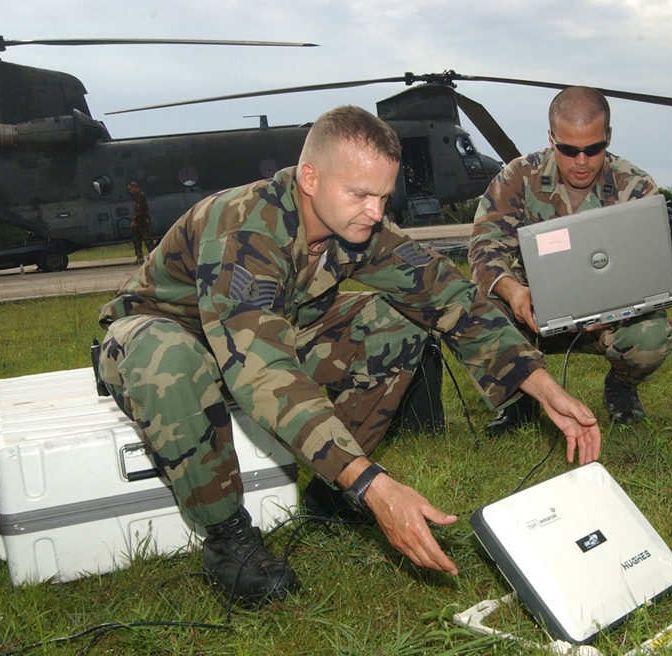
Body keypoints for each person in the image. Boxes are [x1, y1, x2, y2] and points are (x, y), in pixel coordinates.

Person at [96, 105, 601, 605]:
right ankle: (227, 536)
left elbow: (449, 296)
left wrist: (540, 384)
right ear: (310, 178)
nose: (376, 212)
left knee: (394, 324)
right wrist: (376, 487)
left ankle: (332, 491)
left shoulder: (359, 224)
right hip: (165, 334)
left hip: (264, 328)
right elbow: (262, 369)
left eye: (383, 196)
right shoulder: (245, 227)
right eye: (360, 194)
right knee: (170, 359)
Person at [469, 87, 672, 434]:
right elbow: (483, 248)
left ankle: (622, 385)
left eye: (593, 149)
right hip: (530, 315)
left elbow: (648, 270)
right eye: (568, 150)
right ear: (551, 138)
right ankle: (519, 397)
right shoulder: (519, 177)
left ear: (608, 137)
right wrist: (514, 293)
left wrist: (613, 309)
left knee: (653, 334)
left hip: (609, 321)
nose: (582, 161)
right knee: (477, 312)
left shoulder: (634, 187)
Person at [127, 181, 155, 264]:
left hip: (143, 223)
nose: (130, 191)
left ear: (135, 188)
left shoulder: (141, 196)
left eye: (130, 189)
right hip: (139, 223)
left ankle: (154, 257)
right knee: (136, 240)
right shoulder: (137, 197)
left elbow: (139, 209)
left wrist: (134, 220)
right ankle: (139, 258)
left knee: (147, 240)